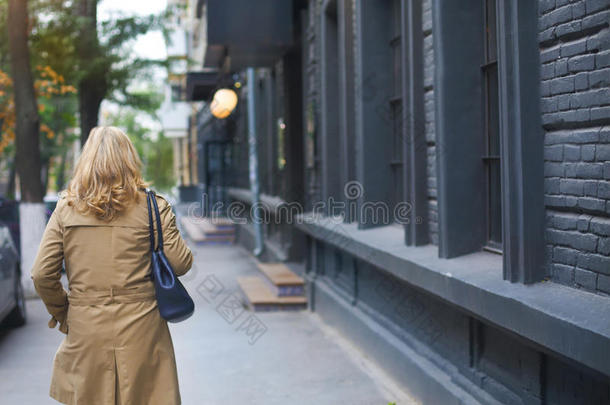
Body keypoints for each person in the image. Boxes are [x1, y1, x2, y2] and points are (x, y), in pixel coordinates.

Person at [30, 126, 193, 405]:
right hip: (143, 327)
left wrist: (64, 312)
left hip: (86, 326)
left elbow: (42, 274)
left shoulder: (65, 208)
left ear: (87, 160)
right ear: (129, 159)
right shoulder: (153, 205)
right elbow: (180, 263)